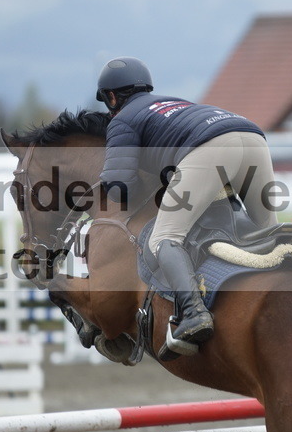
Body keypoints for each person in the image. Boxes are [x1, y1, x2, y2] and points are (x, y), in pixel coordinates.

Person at [97, 56, 279, 353]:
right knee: (268, 234)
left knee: (164, 238)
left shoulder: (123, 119)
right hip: (252, 137)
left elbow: (120, 187)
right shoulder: (174, 103)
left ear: (112, 97)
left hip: (212, 146)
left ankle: (194, 313)